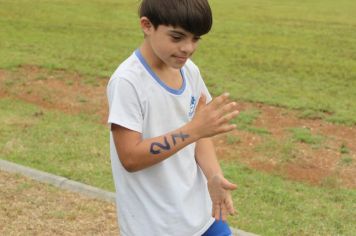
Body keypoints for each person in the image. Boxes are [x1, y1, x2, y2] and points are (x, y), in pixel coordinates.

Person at [107, 0, 239, 235]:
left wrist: (214, 176)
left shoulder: (189, 71)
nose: (188, 48)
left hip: (203, 217)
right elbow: (130, 157)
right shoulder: (127, 82)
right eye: (177, 38)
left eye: (195, 38)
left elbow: (201, 135)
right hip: (155, 226)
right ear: (147, 26)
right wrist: (193, 130)